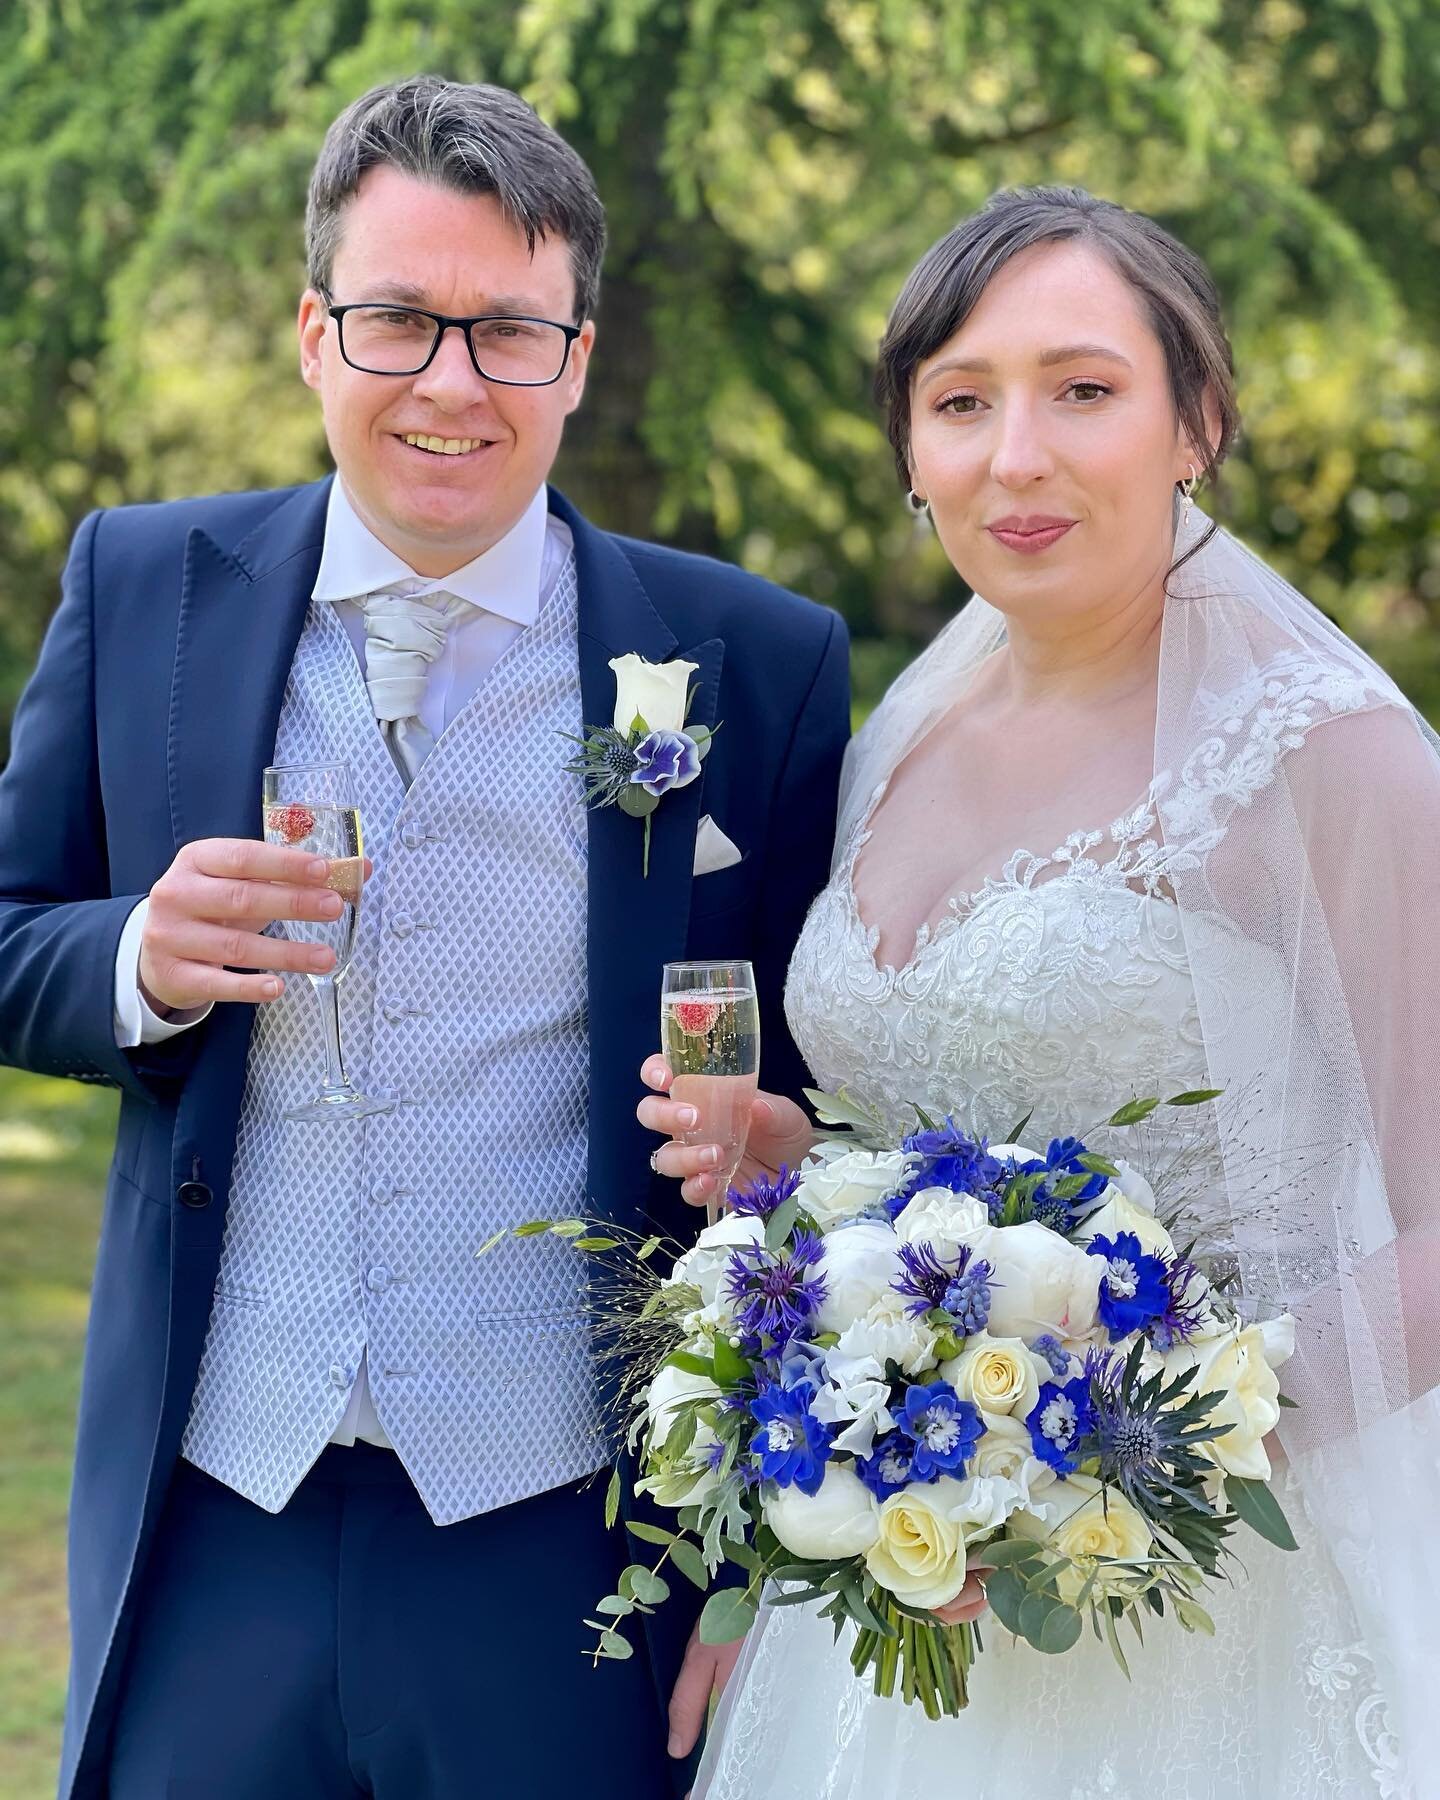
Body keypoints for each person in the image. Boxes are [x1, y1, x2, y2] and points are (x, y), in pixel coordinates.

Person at [0, 75, 849, 1800]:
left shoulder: (752, 659)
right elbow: (14, 931)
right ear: (315, 332)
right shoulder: (143, 586)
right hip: (211, 1516)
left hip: (569, 1533)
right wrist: (139, 964)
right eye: (399, 320)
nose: (451, 382)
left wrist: (782, 1149)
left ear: (577, 358)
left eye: (508, 332)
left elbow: (824, 1088)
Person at [641, 186, 1439, 1798]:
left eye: (1085, 389)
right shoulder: (903, 735)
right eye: (961, 402)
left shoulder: (1330, 758)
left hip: (1217, 1600)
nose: (1018, 455)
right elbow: (942, 1132)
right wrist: (804, 1161)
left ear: (1195, 420)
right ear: (911, 452)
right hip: (916, 1582)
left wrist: (1137, 1458)